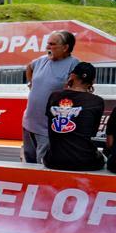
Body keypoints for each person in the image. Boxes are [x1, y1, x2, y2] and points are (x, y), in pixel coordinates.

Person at [22, 30, 79, 164]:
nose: (48, 47)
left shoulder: (74, 64)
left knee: (43, 165)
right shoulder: (42, 60)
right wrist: (31, 83)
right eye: (48, 43)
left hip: (47, 128)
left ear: (65, 48)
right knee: (27, 163)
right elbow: (29, 67)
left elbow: (79, 89)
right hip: (29, 122)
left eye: (52, 44)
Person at [43, 62, 105, 171]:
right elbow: (92, 133)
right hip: (85, 162)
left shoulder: (54, 96)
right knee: (103, 157)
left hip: (54, 160)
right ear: (93, 81)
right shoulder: (97, 101)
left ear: (72, 76)